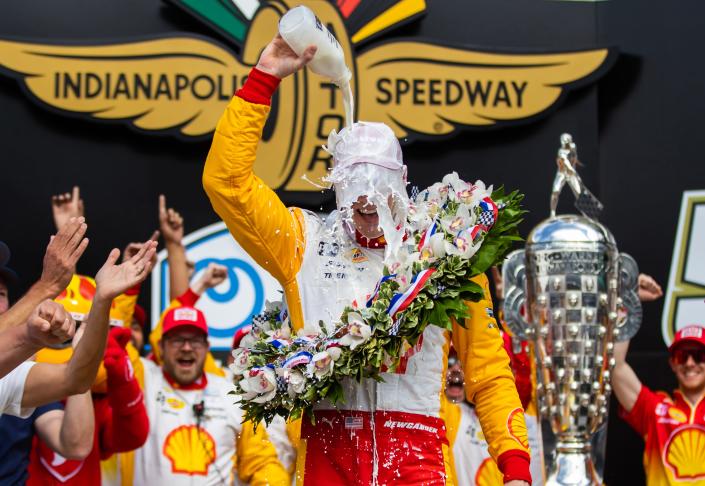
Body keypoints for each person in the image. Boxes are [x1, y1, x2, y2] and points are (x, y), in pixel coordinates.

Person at [202, 34, 531, 485]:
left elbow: (488, 372)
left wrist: (514, 467)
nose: (367, 212)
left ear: (404, 182)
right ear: (336, 187)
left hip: (418, 459)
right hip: (327, 458)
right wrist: (264, 79)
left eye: (379, 199)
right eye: (355, 202)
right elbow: (227, 184)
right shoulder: (302, 242)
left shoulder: (444, 252)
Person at [132, 305, 289, 485]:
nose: (186, 347)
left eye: (195, 340)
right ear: (160, 346)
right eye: (177, 340)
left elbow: (262, 463)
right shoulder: (141, 381)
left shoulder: (232, 396)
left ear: (207, 347)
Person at [613, 318, 705, 486]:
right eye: (682, 356)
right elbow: (616, 366)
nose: (690, 363)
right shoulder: (655, 409)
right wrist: (627, 301)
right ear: (672, 364)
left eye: (699, 356)